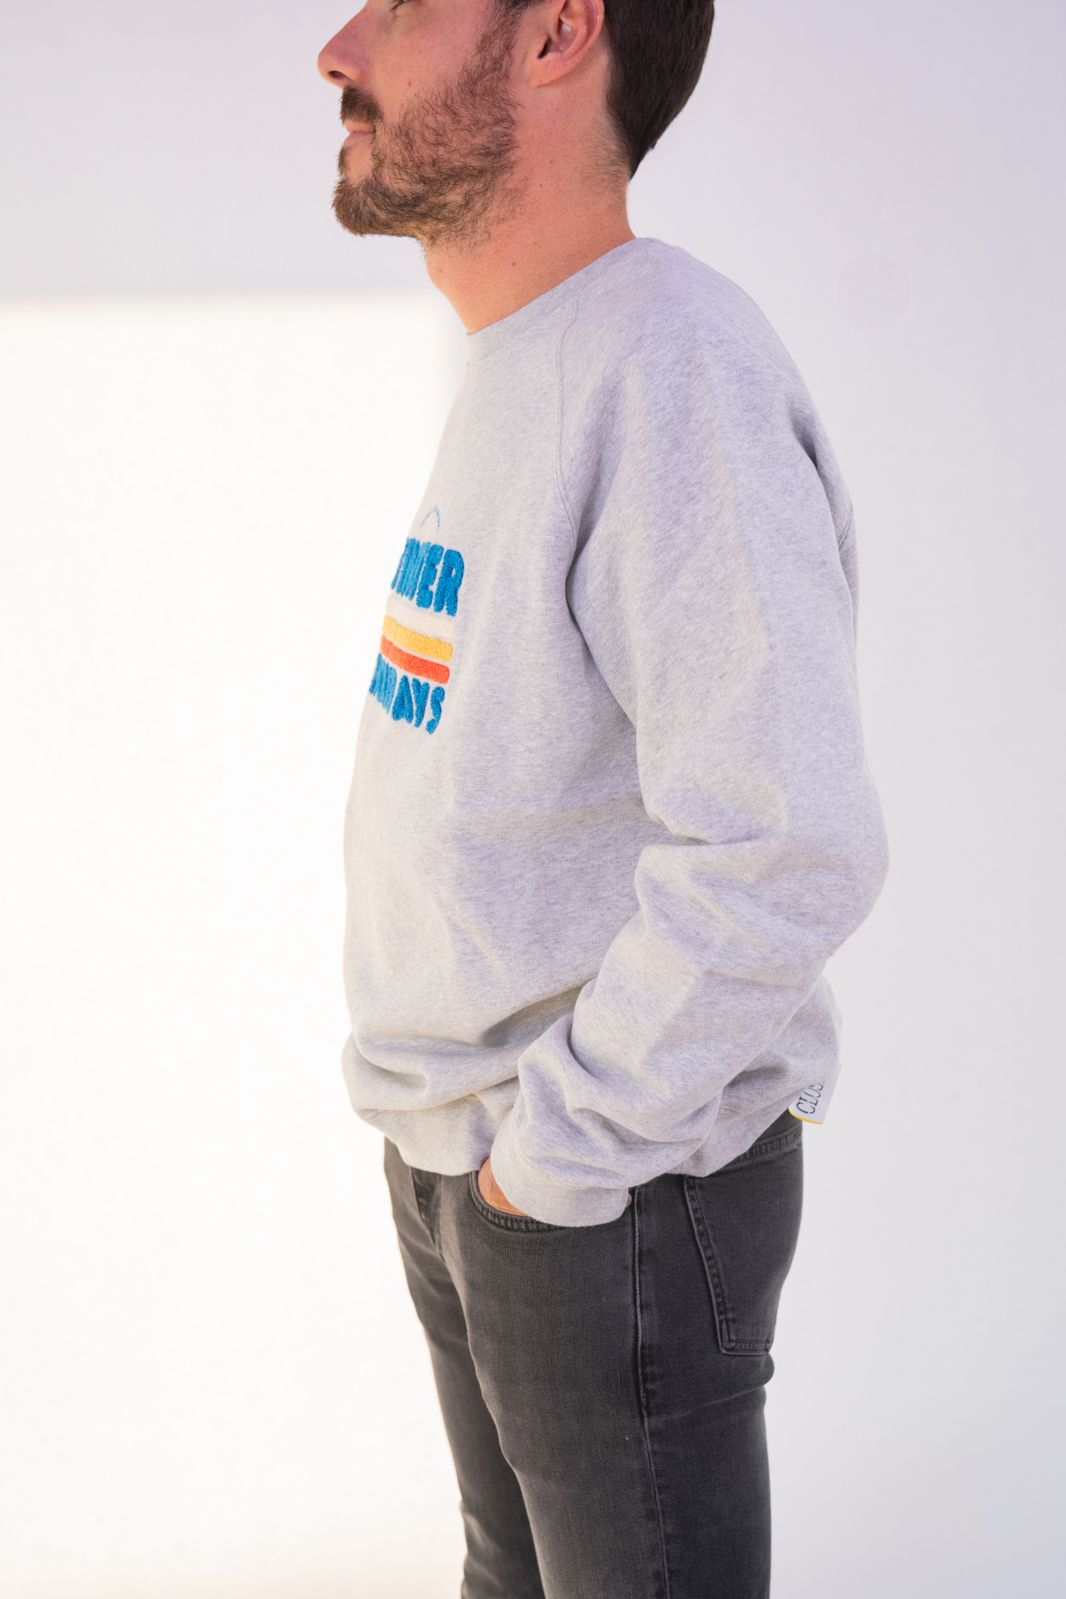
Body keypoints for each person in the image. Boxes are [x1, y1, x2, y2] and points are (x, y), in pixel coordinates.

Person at [317, 3, 890, 1595]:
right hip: (479, 1151)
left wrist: (553, 1162)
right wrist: (484, 1164)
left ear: (558, 32)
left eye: (405, 1)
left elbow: (789, 840)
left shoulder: (670, 366)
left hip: (602, 1187)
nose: (338, 46)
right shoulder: (539, 355)